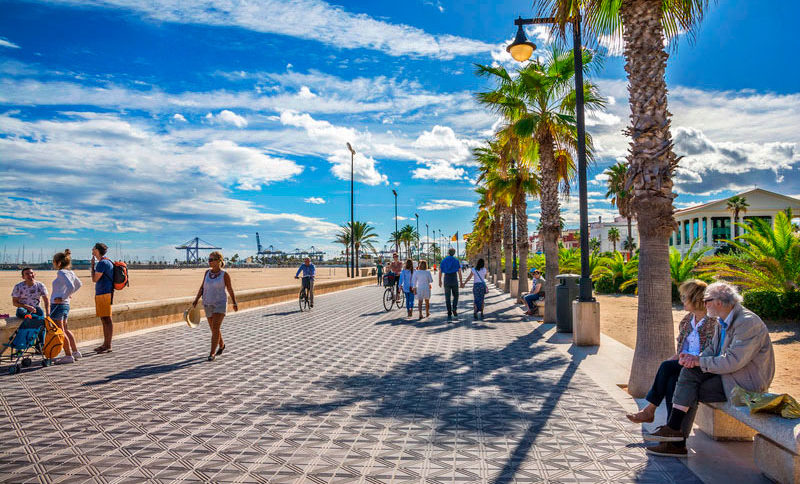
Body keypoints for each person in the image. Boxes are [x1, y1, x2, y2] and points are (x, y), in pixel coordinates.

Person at [643, 281, 775, 457]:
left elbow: (733, 361)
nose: (704, 304)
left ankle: (675, 437)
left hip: (744, 384)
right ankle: (674, 436)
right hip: (727, 375)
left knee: (686, 385)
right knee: (682, 372)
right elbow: (712, 351)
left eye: (707, 300)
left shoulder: (747, 323)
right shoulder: (722, 320)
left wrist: (699, 362)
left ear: (719, 302)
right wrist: (693, 359)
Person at [626, 280, 717, 424]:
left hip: (703, 366)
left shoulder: (713, 322)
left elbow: (713, 351)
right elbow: (682, 348)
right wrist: (677, 356)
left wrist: (691, 359)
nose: (682, 300)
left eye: (685, 297)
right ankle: (673, 434)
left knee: (666, 366)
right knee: (672, 381)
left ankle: (650, 410)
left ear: (695, 298)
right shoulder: (687, 320)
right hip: (685, 363)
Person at [192, 251, 238, 361]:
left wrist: (234, 302)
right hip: (208, 303)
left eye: (211, 260)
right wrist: (196, 299)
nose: (209, 261)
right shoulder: (207, 272)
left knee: (216, 327)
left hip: (220, 304)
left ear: (218, 261)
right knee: (214, 329)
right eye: (208, 259)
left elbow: (230, 289)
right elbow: (202, 287)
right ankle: (222, 345)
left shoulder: (224, 274)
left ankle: (212, 353)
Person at [50, 249, 83, 364]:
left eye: (53, 261)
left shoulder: (61, 272)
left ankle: (68, 356)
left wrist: (63, 297)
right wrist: (68, 296)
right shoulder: (70, 272)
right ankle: (75, 352)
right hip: (65, 305)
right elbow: (79, 284)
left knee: (60, 330)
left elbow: (71, 286)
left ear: (58, 263)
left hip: (58, 305)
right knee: (66, 329)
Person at [91, 243, 114, 354]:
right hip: (105, 292)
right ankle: (106, 344)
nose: (92, 249)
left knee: (106, 319)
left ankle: (107, 345)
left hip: (104, 293)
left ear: (97, 250)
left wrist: (92, 267)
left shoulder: (102, 263)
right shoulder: (107, 261)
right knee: (105, 319)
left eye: (94, 248)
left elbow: (95, 279)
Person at [438, 248, 462, 320]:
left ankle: (449, 311)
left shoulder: (444, 260)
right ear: (454, 253)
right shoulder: (456, 260)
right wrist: (461, 281)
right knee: (456, 295)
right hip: (454, 278)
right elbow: (459, 272)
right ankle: (454, 308)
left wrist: (440, 281)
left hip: (447, 278)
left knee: (447, 297)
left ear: (448, 252)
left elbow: (440, 271)